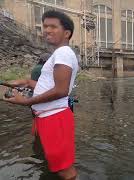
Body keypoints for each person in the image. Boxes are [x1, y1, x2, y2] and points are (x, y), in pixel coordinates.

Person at [3, 10, 79, 180]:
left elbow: (61, 91)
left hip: (55, 117)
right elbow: (51, 86)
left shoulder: (63, 53)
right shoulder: (58, 54)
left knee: (65, 171)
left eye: (53, 26)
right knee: (58, 166)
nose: (47, 30)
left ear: (67, 33)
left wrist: (26, 101)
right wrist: (27, 82)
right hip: (48, 116)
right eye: (45, 26)